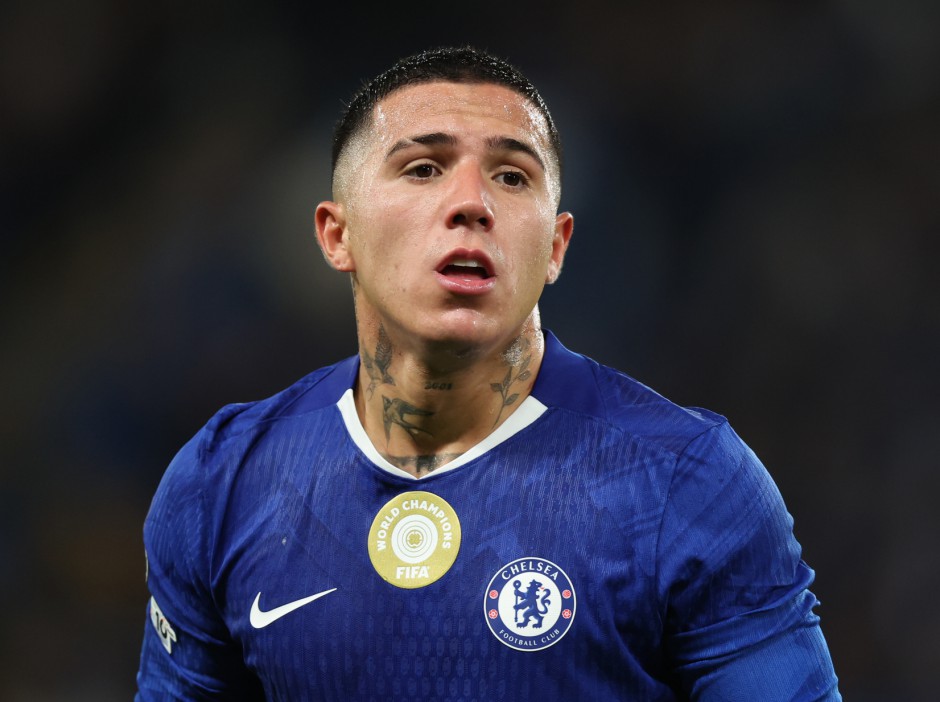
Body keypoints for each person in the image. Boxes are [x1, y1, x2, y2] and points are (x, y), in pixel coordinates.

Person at [136, 46, 841, 700]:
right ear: (336, 233)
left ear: (557, 246)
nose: (472, 203)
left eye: (511, 176)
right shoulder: (223, 481)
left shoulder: (687, 481)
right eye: (423, 168)